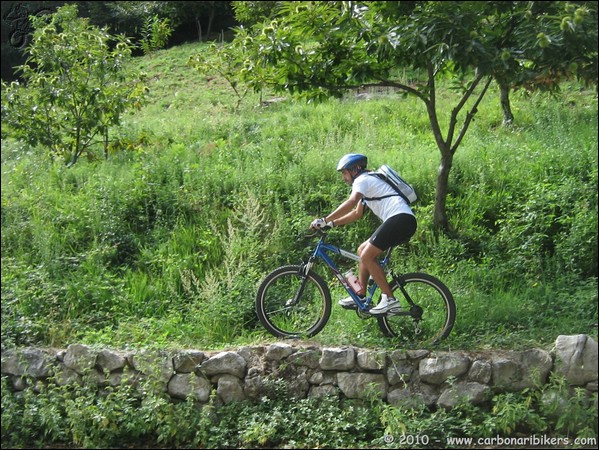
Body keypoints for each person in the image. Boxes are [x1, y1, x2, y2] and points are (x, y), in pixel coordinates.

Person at [310, 153, 417, 315]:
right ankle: (360, 295)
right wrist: (332, 224)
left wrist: (324, 220)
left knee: (367, 255)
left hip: (400, 219)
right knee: (362, 251)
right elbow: (356, 214)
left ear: (355, 169)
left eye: (344, 173)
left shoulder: (362, 180)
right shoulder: (369, 181)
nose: (343, 178)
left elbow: (351, 202)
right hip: (402, 220)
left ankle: (390, 300)